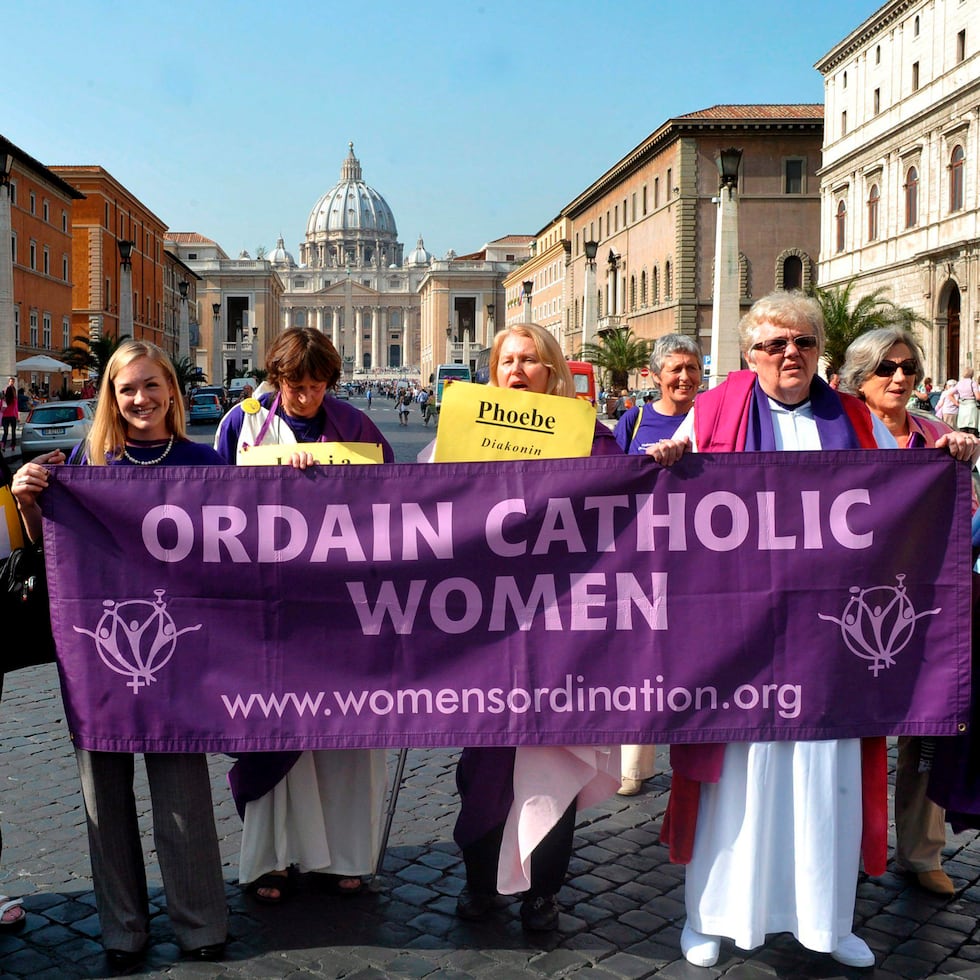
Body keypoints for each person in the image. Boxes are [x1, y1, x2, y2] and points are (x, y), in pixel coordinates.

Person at [652, 292, 898, 970]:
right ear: (748, 354)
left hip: (828, 637)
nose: (791, 354)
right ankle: (710, 915)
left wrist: (950, 450)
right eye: (774, 344)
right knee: (738, 777)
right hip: (740, 634)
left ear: (821, 352)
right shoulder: (716, 412)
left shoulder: (854, 416)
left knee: (826, 775)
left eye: (805, 344)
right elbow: (668, 486)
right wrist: (673, 456)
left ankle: (827, 919)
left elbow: (901, 484)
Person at [12, 340, 228, 970]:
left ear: (172, 390)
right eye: (127, 388)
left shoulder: (203, 460)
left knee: (182, 790)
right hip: (96, 646)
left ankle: (201, 922)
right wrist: (28, 497)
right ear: (111, 395)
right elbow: (46, 547)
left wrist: (295, 477)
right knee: (102, 795)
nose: (140, 399)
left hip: (177, 648)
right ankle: (122, 929)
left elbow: (251, 531)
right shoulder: (85, 461)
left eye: (151, 385)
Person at [451, 323, 622, 932]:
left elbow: (626, 506)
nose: (517, 371)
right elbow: (412, 505)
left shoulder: (592, 442)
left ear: (553, 372)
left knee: (552, 761)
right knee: (485, 765)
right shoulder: (462, 435)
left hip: (562, 628)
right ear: (492, 372)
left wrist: (660, 465)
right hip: (482, 627)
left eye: (530, 361)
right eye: (506, 361)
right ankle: (480, 882)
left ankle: (542, 891)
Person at [213, 327, 393, 905]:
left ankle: (346, 855)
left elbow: (392, 502)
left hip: (342, 606)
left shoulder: (357, 428)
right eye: (297, 386)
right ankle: (270, 858)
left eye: (318, 387)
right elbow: (209, 504)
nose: (307, 398)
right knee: (277, 732)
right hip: (268, 607)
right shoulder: (241, 425)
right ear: (276, 378)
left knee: (346, 733)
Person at [839, 327, 980, 897]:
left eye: (909, 369)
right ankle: (846, 847)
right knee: (850, 735)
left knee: (927, 731)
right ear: (859, 379)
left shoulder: (940, 436)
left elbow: (967, 520)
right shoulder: (838, 435)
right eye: (885, 368)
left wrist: (966, 460)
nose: (899, 378)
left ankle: (922, 853)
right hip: (854, 611)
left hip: (933, 611)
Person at [612, 333, 703, 796]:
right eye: (675, 368)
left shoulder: (716, 419)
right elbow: (605, 479)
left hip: (701, 559)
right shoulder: (635, 419)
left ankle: (697, 760)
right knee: (643, 658)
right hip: (644, 555)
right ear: (655, 375)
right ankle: (635, 764)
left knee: (699, 660)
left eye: (692, 367)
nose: (684, 376)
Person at [955, 368, 980, 435]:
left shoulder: (959, 383)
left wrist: (956, 403)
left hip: (962, 407)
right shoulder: (972, 383)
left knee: (963, 429)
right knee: (972, 428)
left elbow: (950, 394)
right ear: (972, 374)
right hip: (971, 406)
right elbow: (978, 397)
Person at [2, 377, 18, 451]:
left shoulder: (3, 400)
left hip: (5, 417)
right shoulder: (14, 400)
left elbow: (1, 409)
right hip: (12, 417)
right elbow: (16, 409)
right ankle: (13, 446)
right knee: (13, 432)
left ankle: (3, 445)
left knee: (5, 432)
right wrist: (17, 417)